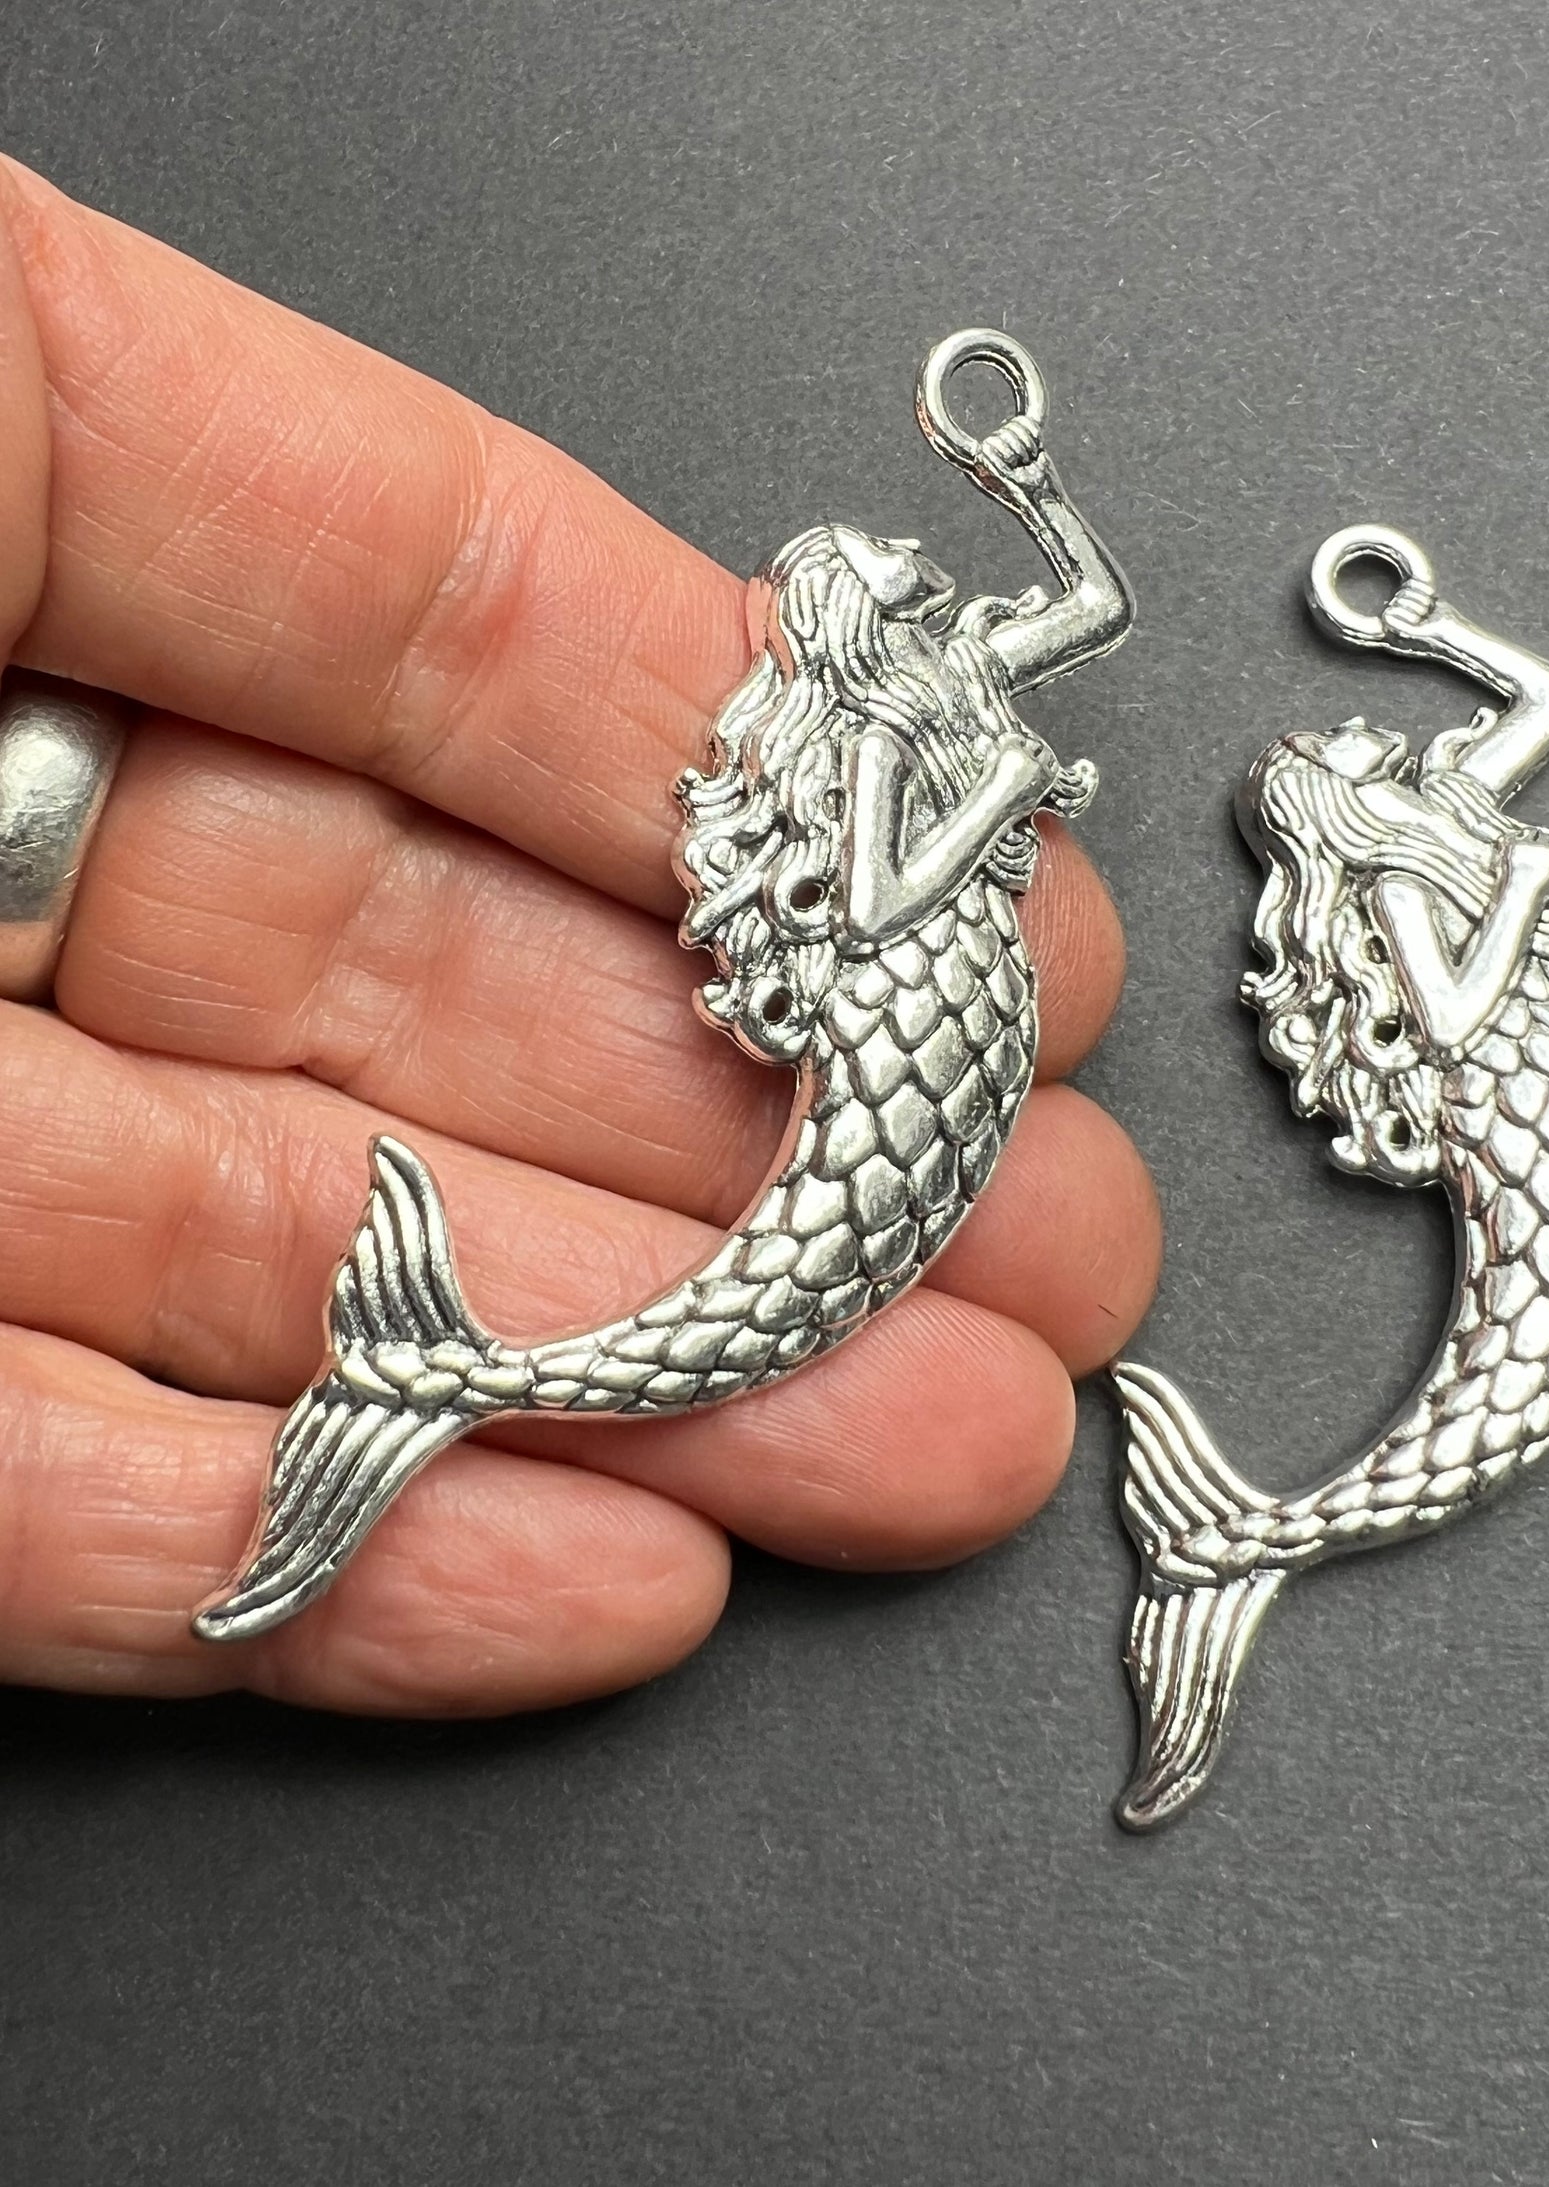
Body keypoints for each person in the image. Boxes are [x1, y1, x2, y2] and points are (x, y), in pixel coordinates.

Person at [0, 157, 1161, 1713]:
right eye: (900, 571)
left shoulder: (945, 685)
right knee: (844, 1320)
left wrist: (1027, 486)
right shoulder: (883, 739)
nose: (925, 572)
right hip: (906, 1018)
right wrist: (1008, 788)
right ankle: (443, 1373)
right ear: (859, 625)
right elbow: (882, 901)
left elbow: (1093, 608)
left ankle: (445, 1370)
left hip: (934, 1057)